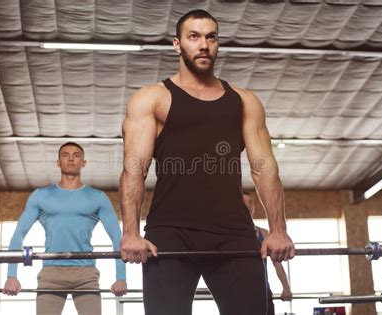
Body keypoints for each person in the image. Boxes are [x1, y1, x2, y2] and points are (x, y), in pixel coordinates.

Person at [119, 9, 294, 315]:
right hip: (170, 233)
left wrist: (278, 229)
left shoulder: (244, 101)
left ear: (217, 44)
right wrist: (130, 233)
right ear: (177, 44)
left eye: (211, 37)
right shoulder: (152, 99)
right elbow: (134, 168)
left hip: (233, 233)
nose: (203, 45)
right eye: (194, 36)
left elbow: (264, 167)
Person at [3, 142, 127, 315]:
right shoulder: (41, 196)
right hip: (51, 273)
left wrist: (121, 278)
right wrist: (11, 275)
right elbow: (19, 234)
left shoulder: (98, 197)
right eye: (65, 155)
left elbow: (117, 236)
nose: (70, 158)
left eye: (76, 155)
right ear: (58, 162)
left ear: (83, 162)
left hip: (86, 274)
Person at [243, 191, 292, 314]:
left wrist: (286, 288)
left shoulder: (264, 234)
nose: (248, 206)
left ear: (253, 207)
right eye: (243, 203)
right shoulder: (230, 235)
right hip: (238, 293)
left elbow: (277, 263)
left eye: (250, 202)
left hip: (263, 293)